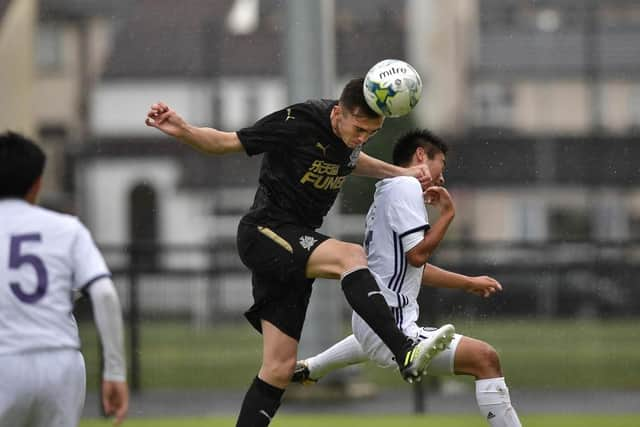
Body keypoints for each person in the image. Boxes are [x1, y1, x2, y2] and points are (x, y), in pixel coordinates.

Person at [145, 78, 455, 427]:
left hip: (293, 247)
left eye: (372, 132)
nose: (362, 138)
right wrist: (182, 128)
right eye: (359, 129)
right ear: (338, 113)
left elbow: (355, 160)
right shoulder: (299, 121)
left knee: (278, 369)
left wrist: (402, 173)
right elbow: (226, 142)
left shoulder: (350, 138)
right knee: (351, 257)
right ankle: (404, 350)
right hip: (266, 231)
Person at [293, 129, 523, 427]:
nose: (442, 177)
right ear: (420, 156)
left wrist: (468, 282)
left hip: (371, 319)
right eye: (441, 164)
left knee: (375, 339)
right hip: (392, 323)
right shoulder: (405, 186)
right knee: (485, 358)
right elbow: (418, 256)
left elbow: (412, 268)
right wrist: (448, 215)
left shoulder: (387, 191)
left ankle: (312, 367)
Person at [0, 132, 129, 427]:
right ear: (36, 184)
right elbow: (105, 294)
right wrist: (114, 371)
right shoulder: (67, 229)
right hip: (61, 363)